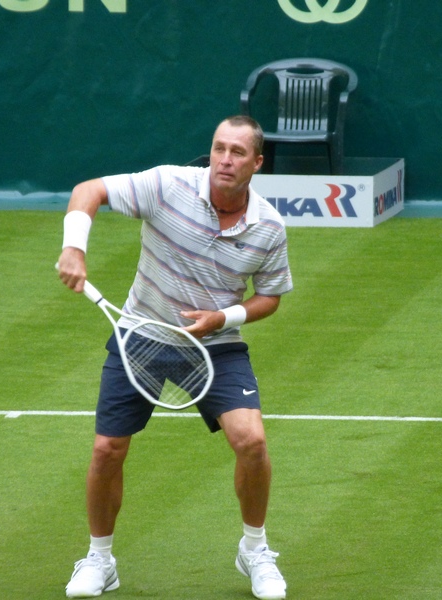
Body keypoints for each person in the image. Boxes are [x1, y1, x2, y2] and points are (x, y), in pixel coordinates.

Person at [56, 115, 292, 600]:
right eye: (219, 148)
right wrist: (74, 249)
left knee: (251, 442)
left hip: (215, 345)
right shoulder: (167, 185)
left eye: (238, 152)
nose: (225, 160)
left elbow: (269, 297)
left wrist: (221, 319)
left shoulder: (269, 227)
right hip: (140, 333)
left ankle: (255, 550)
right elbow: (88, 190)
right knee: (107, 450)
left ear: (257, 162)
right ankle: (99, 559)